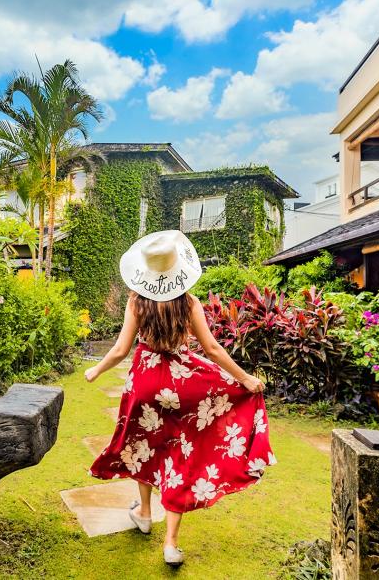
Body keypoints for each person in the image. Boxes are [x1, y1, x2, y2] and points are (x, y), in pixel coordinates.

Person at [85, 229, 274, 568]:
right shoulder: (188, 303)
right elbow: (213, 349)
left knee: (142, 445)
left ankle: (143, 512)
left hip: (144, 383)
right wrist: (243, 379)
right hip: (183, 387)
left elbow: (119, 350)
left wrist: (96, 371)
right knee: (179, 454)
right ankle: (170, 543)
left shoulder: (136, 301)